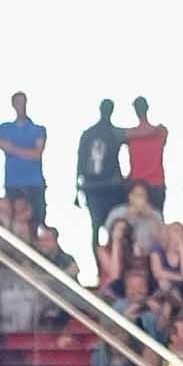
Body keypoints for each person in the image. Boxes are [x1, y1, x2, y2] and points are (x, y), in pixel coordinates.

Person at [0, 89, 48, 225]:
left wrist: (11, 148)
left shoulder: (37, 129)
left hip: (33, 184)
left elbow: (36, 154)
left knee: (36, 222)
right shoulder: (5, 128)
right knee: (12, 224)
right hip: (12, 184)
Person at [74, 98, 127, 251]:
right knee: (104, 226)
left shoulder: (90, 133)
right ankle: (102, 264)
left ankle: (107, 261)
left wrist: (78, 187)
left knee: (106, 226)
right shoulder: (114, 133)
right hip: (106, 186)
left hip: (99, 186)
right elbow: (81, 160)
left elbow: (80, 161)